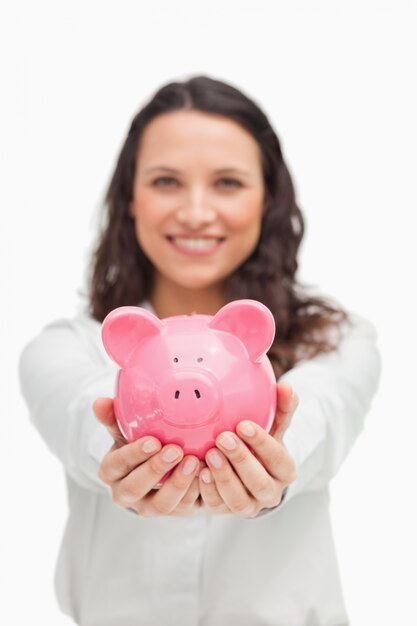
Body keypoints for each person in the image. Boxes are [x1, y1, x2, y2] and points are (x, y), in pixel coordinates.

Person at [18, 75, 381, 626]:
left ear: (268, 200)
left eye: (227, 183)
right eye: (166, 181)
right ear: (130, 200)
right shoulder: (65, 349)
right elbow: (82, 417)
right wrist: (119, 451)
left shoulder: (338, 340)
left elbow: (321, 413)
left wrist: (273, 459)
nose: (194, 211)